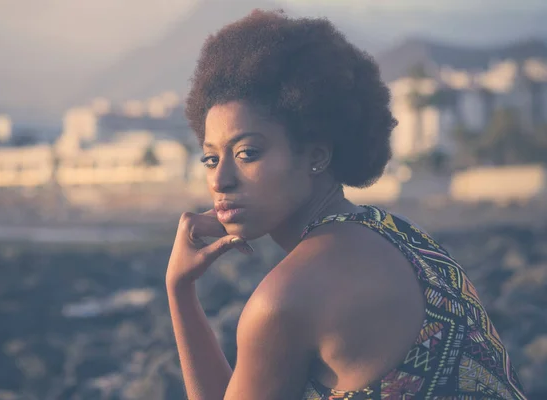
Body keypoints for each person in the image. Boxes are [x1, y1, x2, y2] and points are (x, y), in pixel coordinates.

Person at [165, 9, 527, 400]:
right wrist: (181, 288)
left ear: (316, 155)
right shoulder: (402, 234)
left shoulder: (285, 300)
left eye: (247, 152)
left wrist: (177, 291)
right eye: (210, 158)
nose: (220, 180)